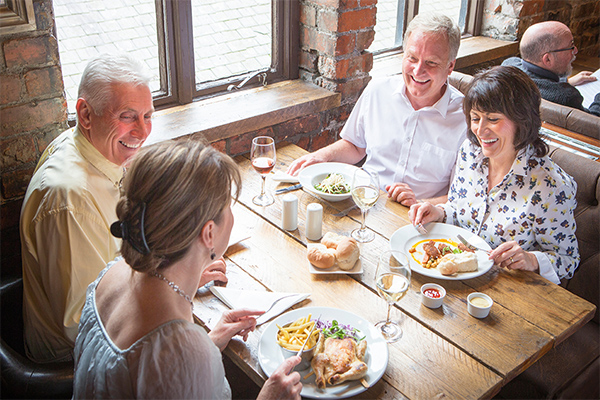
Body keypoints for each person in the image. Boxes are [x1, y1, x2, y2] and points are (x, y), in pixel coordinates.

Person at [19, 54, 227, 363]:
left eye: (147, 116)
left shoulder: (90, 147)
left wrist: (181, 274)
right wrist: (175, 288)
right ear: (85, 114)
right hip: (78, 363)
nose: (143, 132)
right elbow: (82, 323)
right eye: (128, 116)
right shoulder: (71, 200)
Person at [72, 140, 302, 399]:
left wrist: (209, 342)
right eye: (228, 206)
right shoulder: (182, 354)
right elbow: (167, 360)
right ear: (209, 233)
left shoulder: (115, 272)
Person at [409, 66, 579, 284]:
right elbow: (459, 210)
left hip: (507, 291)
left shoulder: (551, 186)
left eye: (493, 119)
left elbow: (568, 260)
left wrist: (531, 259)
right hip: (452, 278)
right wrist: (439, 212)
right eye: (475, 118)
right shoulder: (470, 152)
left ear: (522, 120)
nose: (480, 130)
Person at [287, 13, 468, 206]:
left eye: (431, 62)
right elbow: (356, 146)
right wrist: (320, 156)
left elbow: (464, 196)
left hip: (420, 222)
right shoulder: (378, 90)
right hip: (364, 205)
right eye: (412, 58)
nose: (417, 70)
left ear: (450, 66)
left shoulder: (468, 119)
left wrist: (422, 203)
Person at [502, 21, 600, 116]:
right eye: (570, 47)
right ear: (547, 59)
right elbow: (592, 121)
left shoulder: (508, 65)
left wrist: (566, 81)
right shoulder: (566, 97)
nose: (575, 50)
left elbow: (538, 83)